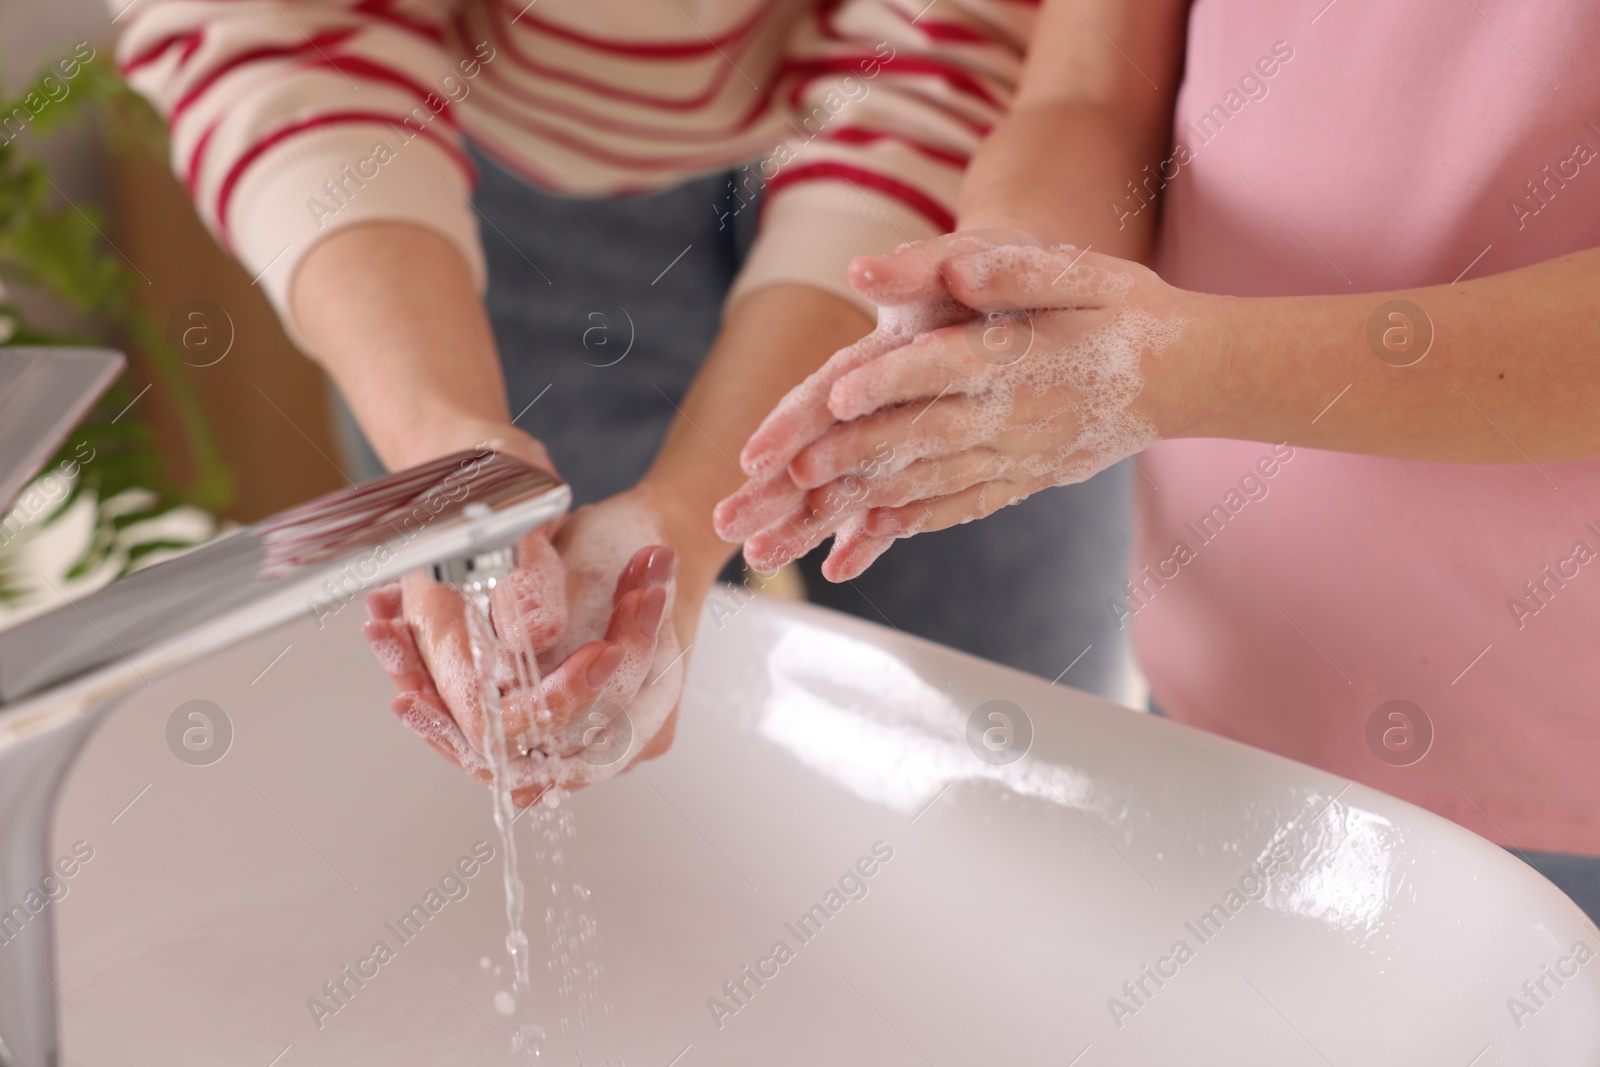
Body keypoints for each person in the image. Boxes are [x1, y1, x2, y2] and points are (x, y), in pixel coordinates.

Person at [112, 0, 1136, 797]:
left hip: (988, 150)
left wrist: (691, 512)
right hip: (498, 150)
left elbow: (953, 54)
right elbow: (276, 34)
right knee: (576, 706)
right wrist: (445, 443)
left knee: (1004, 744)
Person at [717, 0, 1600, 918]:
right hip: (1230, 700)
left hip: (1561, 777)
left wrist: (1188, 369)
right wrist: (1013, 272)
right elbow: (1091, 95)